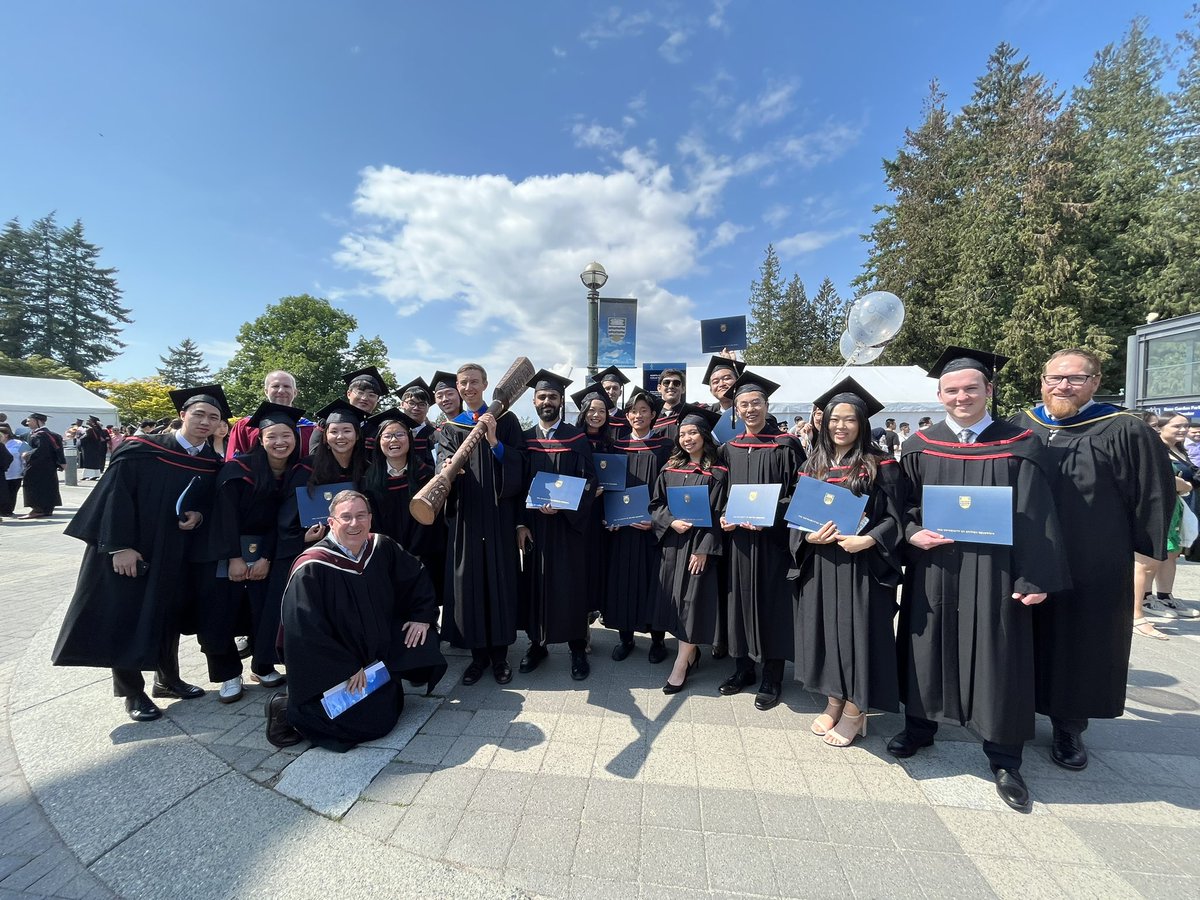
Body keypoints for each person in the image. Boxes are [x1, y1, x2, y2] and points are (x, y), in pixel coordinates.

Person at [895, 348, 1069, 812]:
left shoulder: (1019, 443)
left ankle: (1004, 756)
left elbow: (1037, 516)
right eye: (951, 390)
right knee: (926, 644)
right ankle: (920, 728)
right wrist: (912, 532)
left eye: (971, 388)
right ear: (939, 394)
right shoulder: (920, 446)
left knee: (999, 652)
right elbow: (900, 509)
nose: (961, 396)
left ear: (989, 390)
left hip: (996, 572)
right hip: (934, 568)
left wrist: (1033, 576)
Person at [1014, 348, 1176, 772]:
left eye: (1075, 378)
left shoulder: (1123, 429)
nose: (1062, 386)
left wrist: (1146, 551)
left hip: (1091, 557)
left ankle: (1069, 726)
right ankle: (1013, 711)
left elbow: (1154, 490)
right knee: (1020, 633)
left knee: (1080, 640)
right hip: (1026, 553)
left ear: (1096, 382)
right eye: (1054, 378)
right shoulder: (1021, 425)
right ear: (1042, 381)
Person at [51, 386, 230, 722]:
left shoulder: (211, 462)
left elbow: (208, 503)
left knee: (169, 614)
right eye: (199, 414)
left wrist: (200, 515)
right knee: (128, 615)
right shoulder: (143, 449)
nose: (205, 421)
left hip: (176, 552)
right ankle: (132, 692)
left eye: (213, 417)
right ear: (182, 416)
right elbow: (114, 497)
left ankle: (167, 679)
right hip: (134, 550)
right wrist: (119, 547)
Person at [267, 490, 446, 751]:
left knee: (423, 638)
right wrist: (346, 668)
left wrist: (422, 616)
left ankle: (390, 677)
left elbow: (415, 578)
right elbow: (304, 633)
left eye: (361, 516)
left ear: (370, 519)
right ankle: (286, 709)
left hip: (377, 650)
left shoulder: (380, 546)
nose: (354, 523)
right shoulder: (312, 567)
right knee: (373, 724)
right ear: (331, 522)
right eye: (346, 517)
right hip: (335, 662)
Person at [792, 378, 904, 748]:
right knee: (825, 631)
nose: (840, 426)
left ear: (862, 424)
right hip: (822, 563)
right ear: (824, 423)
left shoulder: (881, 464)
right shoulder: (813, 464)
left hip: (862, 567)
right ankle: (834, 700)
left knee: (858, 634)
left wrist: (869, 539)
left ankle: (857, 710)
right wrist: (806, 537)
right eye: (834, 419)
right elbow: (794, 517)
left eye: (850, 419)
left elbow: (898, 516)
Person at [195, 402, 305, 703]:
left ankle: (262, 664)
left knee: (263, 610)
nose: (280, 442)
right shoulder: (238, 469)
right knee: (221, 612)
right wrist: (234, 557)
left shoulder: (295, 473)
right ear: (260, 439)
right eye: (272, 436)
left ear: (295, 438)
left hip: (267, 550)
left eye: (287, 435)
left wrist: (266, 557)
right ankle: (228, 673)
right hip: (227, 549)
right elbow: (224, 517)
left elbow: (282, 521)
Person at [718, 370, 804, 710]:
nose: (750, 409)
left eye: (756, 403)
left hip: (772, 544)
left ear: (767, 406)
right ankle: (743, 668)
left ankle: (772, 676)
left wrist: (770, 517)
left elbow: (799, 494)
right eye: (744, 405)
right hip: (738, 542)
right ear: (736, 411)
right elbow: (721, 493)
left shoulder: (786, 445)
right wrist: (723, 515)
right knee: (738, 602)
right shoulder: (730, 449)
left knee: (772, 606)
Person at [436, 363, 526, 685]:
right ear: (458, 388)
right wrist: (446, 467)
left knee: (499, 581)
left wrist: (493, 441)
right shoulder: (449, 428)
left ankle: (500, 658)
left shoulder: (507, 421)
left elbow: (520, 465)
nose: (469, 387)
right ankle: (477, 658)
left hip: (499, 517)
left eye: (475, 381)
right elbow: (441, 469)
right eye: (463, 383)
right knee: (469, 583)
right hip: (467, 518)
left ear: (486, 384)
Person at [516, 371, 596, 680]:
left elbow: (590, 481)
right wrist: (520, 524)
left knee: (571, 586)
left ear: (561, 401)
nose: (547, 401)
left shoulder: (576, 439)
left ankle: (577, 648)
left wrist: (565, 505)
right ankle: (538, 644)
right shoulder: (525, 440)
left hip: (567, 528)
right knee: (536, 585)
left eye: (552, 397)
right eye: (542, 397)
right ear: (534, 401)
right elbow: (515, 486)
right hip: (535, 527)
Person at [649, 404, 728, 693]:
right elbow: (656, 505)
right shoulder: (670, 468)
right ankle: (690, 652)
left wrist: (705, 548)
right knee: (676, 603)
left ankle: (680, 664)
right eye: (683, 434)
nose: (687, 438)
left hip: (698, 547)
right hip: (673, 545)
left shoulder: (717, 472)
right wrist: (670, 522)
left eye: (693, 432)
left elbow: (720, 511)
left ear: (705, 436)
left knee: (692, 604)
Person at [605, 389, 672, 662]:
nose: (638, 415)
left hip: (650, 530)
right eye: (633, 411)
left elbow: (671, 488)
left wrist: (656, 521)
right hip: (621, 531)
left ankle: (658, 640)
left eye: (644, 410)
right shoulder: (616, 447)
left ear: (653, 415)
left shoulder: (664, 447)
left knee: (653, 582)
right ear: (627, 415)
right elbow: (608, 487)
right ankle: (626, 638)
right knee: (623, 581)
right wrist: (609, 518)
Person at [1138, 412, 1199, 625]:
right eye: (1177, 426)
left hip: (1178, 507)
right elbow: (1163, 478)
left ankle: (1165, 596)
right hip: (1161, 506)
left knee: (1172, 553)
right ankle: (1145, 598)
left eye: (1185, 426)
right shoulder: (1156, 450)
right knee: (1153, 554)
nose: (1183, 430)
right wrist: (1186, 486)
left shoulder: (1179, 450)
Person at [361, 409, 438, 576]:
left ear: (409, 439)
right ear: (379, 441)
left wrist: (413, 555)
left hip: (424, 560)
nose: (394, 440)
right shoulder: (368, 481)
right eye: (387, 436)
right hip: (385, 560)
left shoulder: (426, 476)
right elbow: (372, 524)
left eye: (400, 434)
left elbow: (431, 523)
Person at [573, 382, 615, 637]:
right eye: (591, 410)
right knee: (582, 568)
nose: (596, 415)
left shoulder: (612, 444)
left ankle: (599, 611)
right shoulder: (574, 441)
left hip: (604, 513)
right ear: (583, 412)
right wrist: (586, 492)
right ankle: (581, 627)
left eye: (601, 410)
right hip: (580, 515)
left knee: (601, 565)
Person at [225, 370, 317, 460]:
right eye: (275, 386)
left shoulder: (309, 428)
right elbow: (233, 461)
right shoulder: (245, 426)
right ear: (266, 391)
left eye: (287, 386)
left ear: (295, 392)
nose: (281, 390)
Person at [19, 413, 65, 519]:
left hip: (38, 466)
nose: (27, 423)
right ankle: (46, 509)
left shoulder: (41, 435)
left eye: (29, 420)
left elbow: (41, 450)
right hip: (48, 466)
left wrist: (27, 454)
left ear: (37, 421)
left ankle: (37, 509)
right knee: (48, 486)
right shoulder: (50, 434)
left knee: (34, 485)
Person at [397, 377, 437, 466]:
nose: (416, 408)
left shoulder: (436, 436)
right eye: (411, 403)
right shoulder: (393, 433)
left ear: (428, 407)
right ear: (402, 404)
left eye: (422, 404)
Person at [1, 424, 29, 518]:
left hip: (15, 473)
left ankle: (8, 511)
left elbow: (28, 456)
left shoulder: (19, 443)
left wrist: (25, 469)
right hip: (3, 473)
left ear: (6, 434)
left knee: (12, 493)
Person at [651, 368, 686, 441]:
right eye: (666, 383)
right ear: (659, 388)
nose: (671, 386)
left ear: (683, 389)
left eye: (676, 383)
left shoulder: (689, 414)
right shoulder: (650, 417)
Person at [78, 416, 108, 480]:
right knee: (94, 462)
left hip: (90, 448)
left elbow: (86, 438)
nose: (87, 421)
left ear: (92, 422)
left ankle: (87, 475)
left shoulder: (90, 429)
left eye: (89, 420)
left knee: (89, 462)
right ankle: (95, 475)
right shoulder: (95, 428)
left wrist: (80, 437)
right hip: (94, 447)